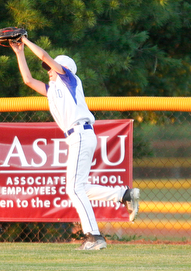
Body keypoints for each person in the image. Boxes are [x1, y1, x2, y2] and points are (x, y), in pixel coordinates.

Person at [10, 36, 140, 251]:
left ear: (63, 69)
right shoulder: (53, 90)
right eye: (47, 68)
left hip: (80, 133)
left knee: (74, 189)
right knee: (78, 188)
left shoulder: (69, 79)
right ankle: (123, 195)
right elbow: (28, 80)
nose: (48, 70)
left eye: (51, 68)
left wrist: (25, 38)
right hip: (77, 137)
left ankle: (94, 237)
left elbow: (44, 55)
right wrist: (19, 52)